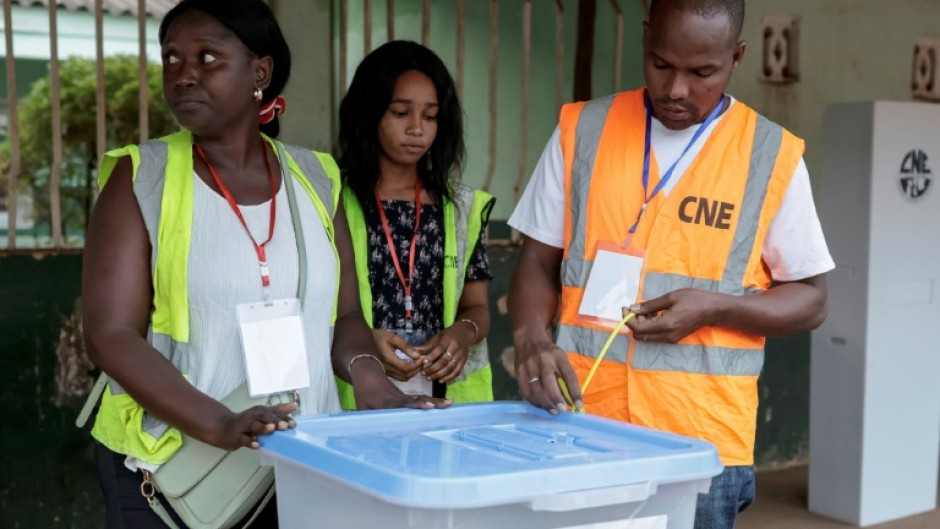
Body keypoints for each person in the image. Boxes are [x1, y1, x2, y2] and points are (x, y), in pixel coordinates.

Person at [81, 2, 449, 527]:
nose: (183, 76)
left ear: (260, 72)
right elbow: (110, 335)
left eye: (207, 58)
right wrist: (221, 423)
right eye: (171, 60)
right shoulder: (142, 178)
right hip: (173, 472)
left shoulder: (316, 177)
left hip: (298, 461)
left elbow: (344, 319)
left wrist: (375, 385)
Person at [507, 0, 834, 527]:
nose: (676, 89)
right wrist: (530, 339)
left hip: (700, 444)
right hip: (582, 425)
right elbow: (538, 261)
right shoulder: (583, 129)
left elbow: (812, 298)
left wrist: (714, 309)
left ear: (736, 57)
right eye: (661, 64)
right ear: (644, 40)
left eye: (702, 72)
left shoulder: (769, 155)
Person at [335, 40, 495, 408]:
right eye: (400, 112)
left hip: (448, 404)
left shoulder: (461, 207)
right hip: (359, 397)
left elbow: (478, 307)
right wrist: (363, 341)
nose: (417, 129)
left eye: (430, 116)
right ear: (369, 113)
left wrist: (462, 333)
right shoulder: (332, 200)